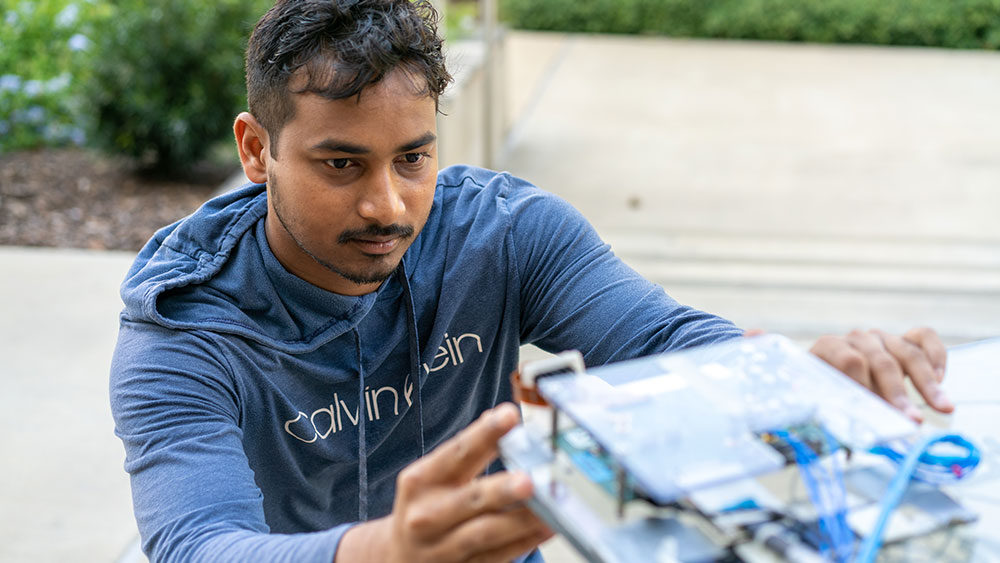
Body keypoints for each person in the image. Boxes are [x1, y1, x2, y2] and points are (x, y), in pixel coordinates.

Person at [109, 1, 954, 561]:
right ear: (257, 150)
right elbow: (199, 544)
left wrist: (797, 382)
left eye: (413, 158)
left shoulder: (507, 234)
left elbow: (665, 342)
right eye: (341, 163)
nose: (387, 203)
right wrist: (389, 548)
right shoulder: (182, 325)